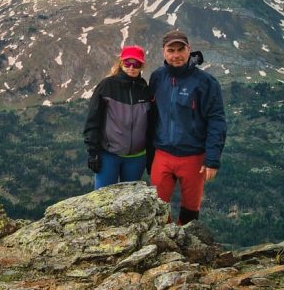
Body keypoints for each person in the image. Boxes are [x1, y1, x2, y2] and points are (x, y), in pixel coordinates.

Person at [148, 28, 227, 225]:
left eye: (180, 49)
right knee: (158, 207)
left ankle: (187, 250)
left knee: (190, 211)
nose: (176, 55)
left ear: (189, 49)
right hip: (163, 154)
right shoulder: (157, 77)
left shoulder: (206, 82)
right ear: (163, 52)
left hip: (193, 156)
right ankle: (162, 249)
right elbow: (151, 115)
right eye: (171, 50)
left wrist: (212, 159)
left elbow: (216, 120)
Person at [83, 45, 156, 190]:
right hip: (109, 156)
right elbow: (93, 120)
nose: (131, 67)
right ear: (121, 63)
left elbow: (151, 127)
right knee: (103, 202)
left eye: (136, 64)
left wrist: (151, 157)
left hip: (137, 158)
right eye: (127, 63)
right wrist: (93, 153)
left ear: (142, 66)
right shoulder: (106, 86)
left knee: (129, 204)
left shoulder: (145, 90)